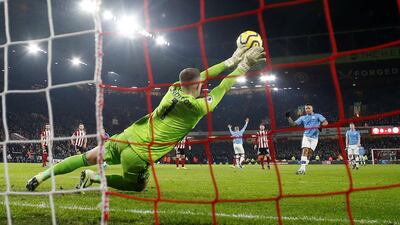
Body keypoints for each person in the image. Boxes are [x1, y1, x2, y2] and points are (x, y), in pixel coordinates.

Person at [26, 45, 265, 191]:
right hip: (140, 152)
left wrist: (231, 60)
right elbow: (223, 86)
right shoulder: (198, 107)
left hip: (127, 135)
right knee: (138, 186)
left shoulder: (174, 88)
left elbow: (199, 76)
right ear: (197, 86)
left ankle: (41, 175)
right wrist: (243, 65)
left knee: (84, 157)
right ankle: (95, 178)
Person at [286, 104, 328, 175]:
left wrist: (320, 125)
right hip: (306, 137)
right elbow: (293, 124)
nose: (307, 109)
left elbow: (326, 122)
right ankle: (302, 169)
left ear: (312, 109)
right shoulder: (303, 117)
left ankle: (303, 167)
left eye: (308, 108)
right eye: (306, 108)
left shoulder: (318, 115)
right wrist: (288, 117)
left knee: (309, 154)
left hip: (315, 138)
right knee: (305, 150)